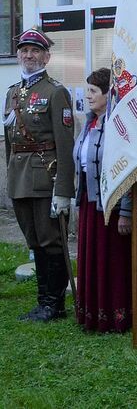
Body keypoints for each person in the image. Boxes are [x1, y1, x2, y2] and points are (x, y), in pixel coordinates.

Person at [4, 27, 75, 322]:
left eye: (35, 51)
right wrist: (10, 174)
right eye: (24, 50)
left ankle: (53, 304)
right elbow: (10, 143)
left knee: (50, 241)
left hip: (46, 177)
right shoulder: (12, 93)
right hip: (20, 177)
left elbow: (65, 145)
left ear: (47, 57)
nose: (29, 55)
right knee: (33, 241)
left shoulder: (55, 92)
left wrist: (64, 190)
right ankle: (42, 301)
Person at [73, 68, 137, 332]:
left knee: (113, 260)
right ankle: (94, 312)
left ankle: (117, 314)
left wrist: (126, 211)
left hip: (113, 205)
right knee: (93, 258)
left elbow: (132, 170)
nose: (88, 96)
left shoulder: (121, 126)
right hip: (90, 203)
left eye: (93, 91)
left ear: (108, 94)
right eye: (88, 90)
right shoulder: (89, 122)